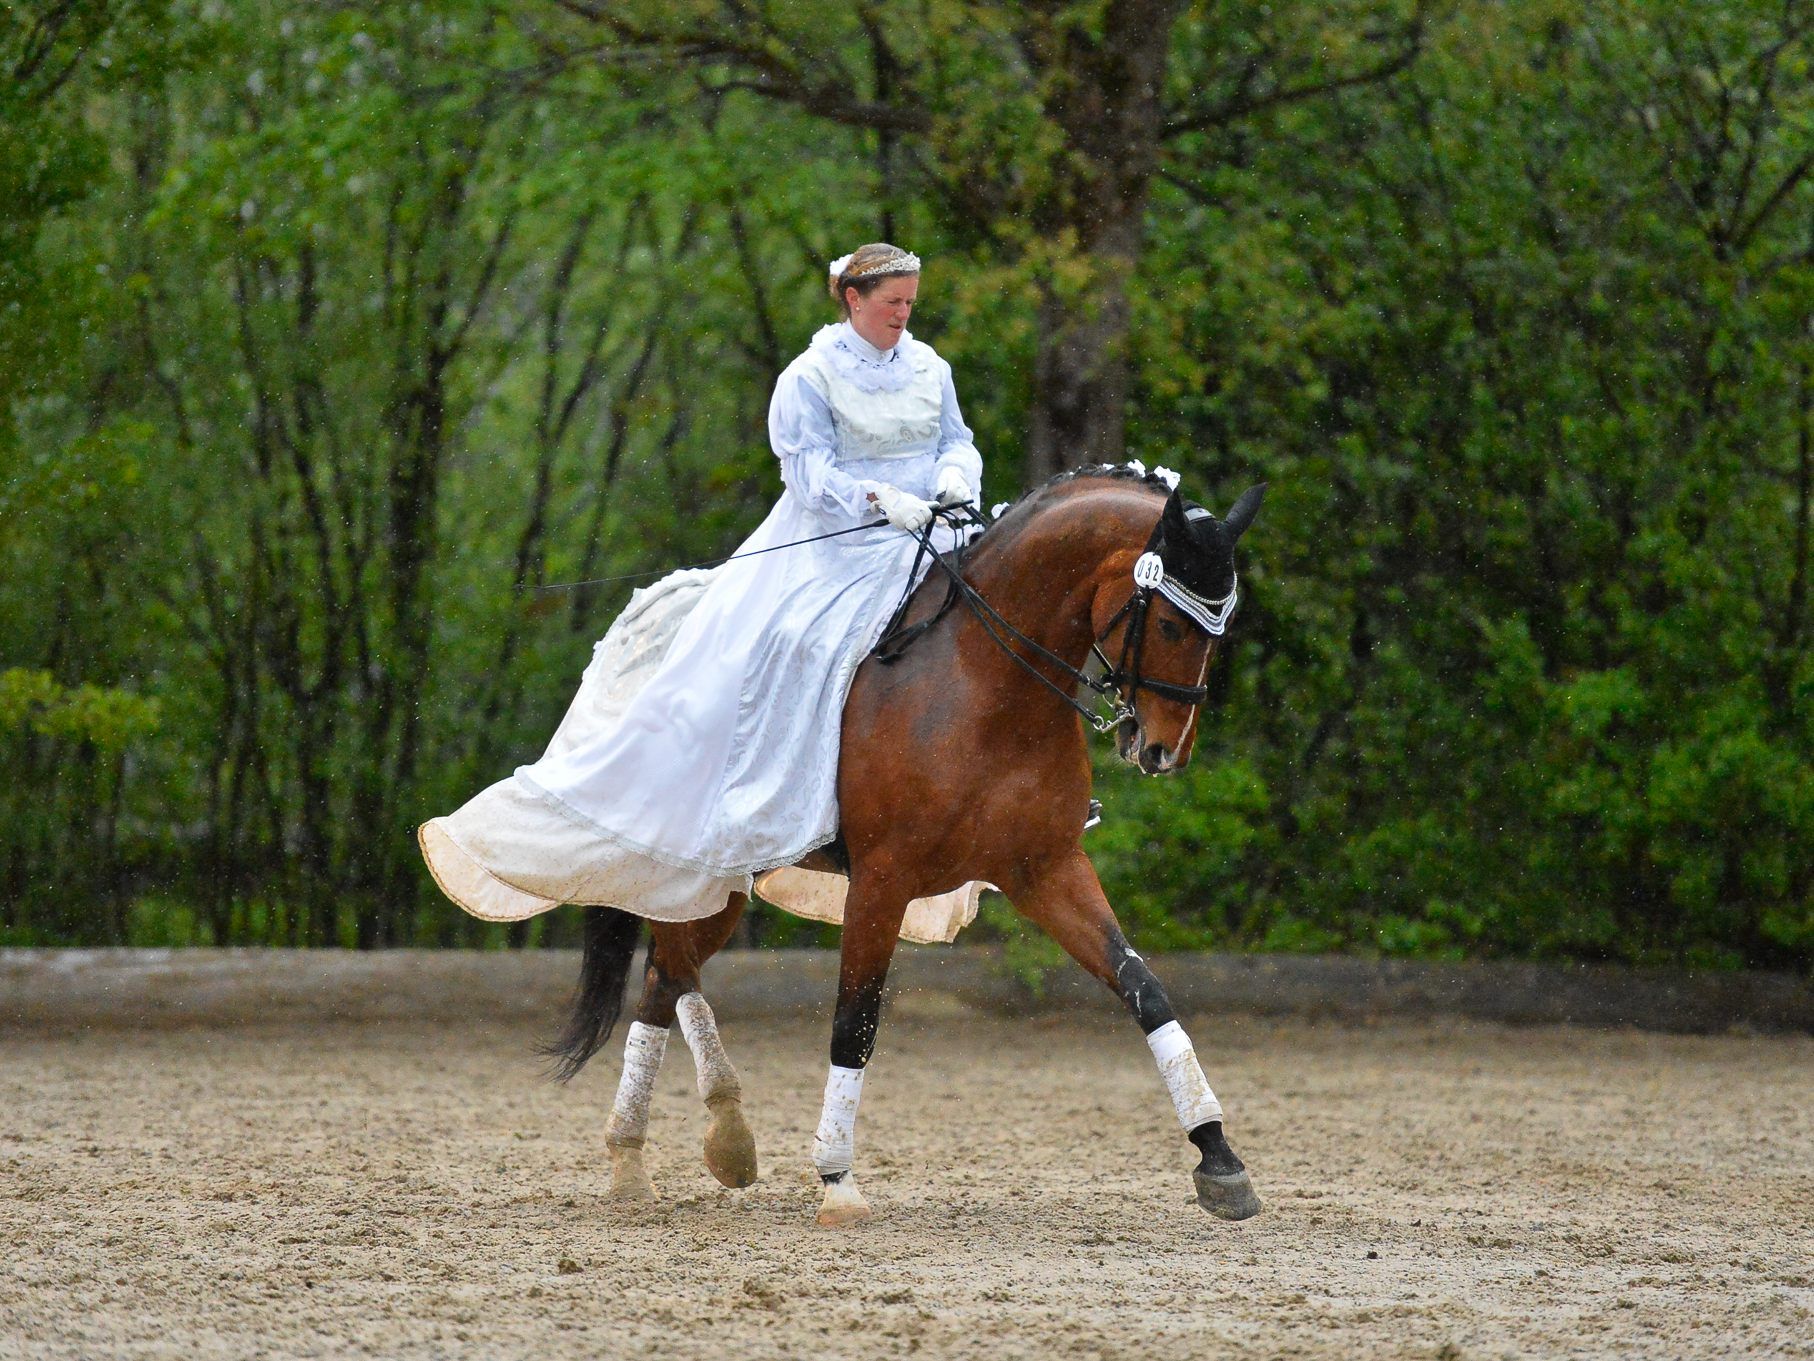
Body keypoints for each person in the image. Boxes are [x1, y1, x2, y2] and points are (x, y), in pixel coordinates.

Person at [418, 243, 985, 935]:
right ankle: (807, 806)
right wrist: (878, 496)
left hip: (932, 532)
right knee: (794, 643)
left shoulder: (931, 369)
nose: (904, 313)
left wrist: (957, 474)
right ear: (854, 299)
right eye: (893, 301)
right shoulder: (810, 377)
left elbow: (958, 437)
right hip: (837, 542)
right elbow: (809, 474)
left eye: (910, 302)